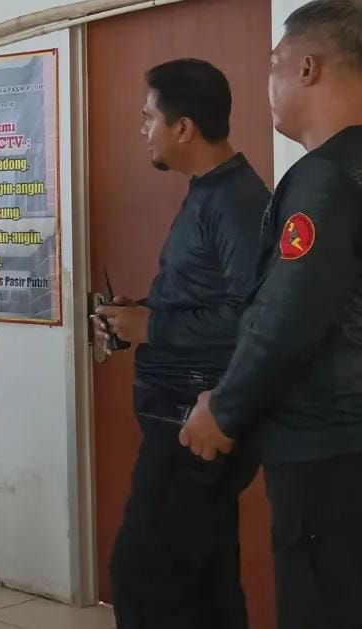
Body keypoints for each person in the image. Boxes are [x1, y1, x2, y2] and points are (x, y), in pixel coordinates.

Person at [181, 2, 362, 628]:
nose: (270, 81)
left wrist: (225, 409)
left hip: (326, 444)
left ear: (307, 67)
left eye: (274, 63)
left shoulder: (324, 179)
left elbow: (289, 314)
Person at [94, 59, 270, 629]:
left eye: (149, 117)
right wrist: (141, 314)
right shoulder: (209, 192)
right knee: (204, 577)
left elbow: (255, 316)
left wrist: (153, 328)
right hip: (181, 413)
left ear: (184, 128)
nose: (142, 129)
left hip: (196, 420)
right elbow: (206, 296)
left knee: (142, 575)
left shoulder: (234, 201)